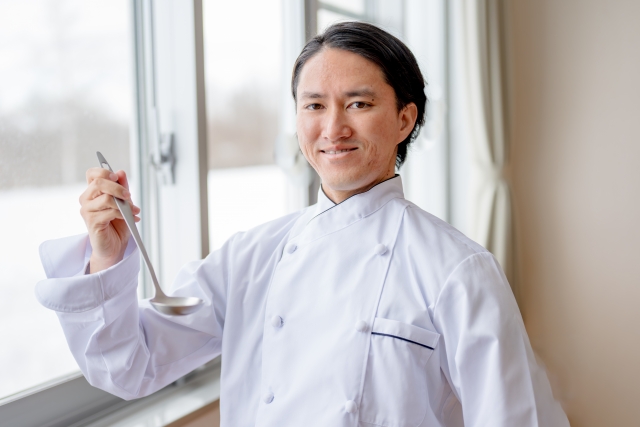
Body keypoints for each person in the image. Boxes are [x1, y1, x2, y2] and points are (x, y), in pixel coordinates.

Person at [36, 22, 569, 427]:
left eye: (358, 103)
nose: (333, 128)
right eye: (314, 105)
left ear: (404, 119)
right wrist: (107, 254)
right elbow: (130, 367)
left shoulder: (458, 269)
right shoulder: (251, 257)